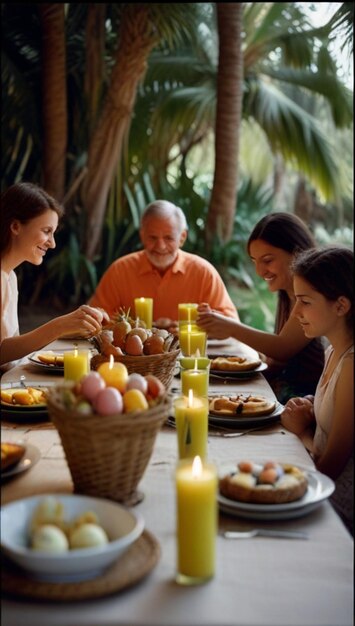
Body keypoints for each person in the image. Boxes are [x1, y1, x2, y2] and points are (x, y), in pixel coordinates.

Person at [197, 212, 325, 403]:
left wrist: (231, 327)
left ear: (296, 253)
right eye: (254, 261)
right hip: (285, 390)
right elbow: (278, 358)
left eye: (267, 260)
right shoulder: (286, 292)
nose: (259, 271)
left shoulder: (312, 293)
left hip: (304, 400)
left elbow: (283, 348)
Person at [281, 246, 353, 535]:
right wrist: (311, 406)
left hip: (338, 510)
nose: (296, 312)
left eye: (305, 302)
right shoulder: (333, 348)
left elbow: (330, 467)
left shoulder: (351, 365)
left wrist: (301, 431)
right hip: (321, 486)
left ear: (341, 306)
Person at [0, 182, 108, 369]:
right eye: (46, 231)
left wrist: (72, 328)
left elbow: (11, 346)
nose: (52, 244)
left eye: (53, 233)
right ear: (16, 226)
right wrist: (58, 326)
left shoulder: (9, 277)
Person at [88, 200, 238, 323]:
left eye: (168, 238)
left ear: (182, 238)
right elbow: (95, 318)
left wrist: (191, 325)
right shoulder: (120, 270)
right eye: (153, 238)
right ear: (142, 235)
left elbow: (231, 324)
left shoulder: (203, 272)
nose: (160, 246)